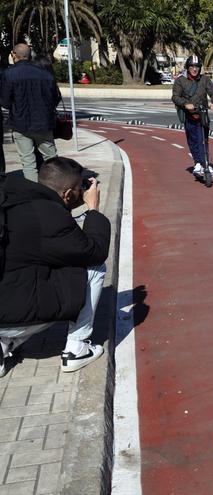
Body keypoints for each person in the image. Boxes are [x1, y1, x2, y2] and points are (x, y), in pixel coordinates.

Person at [0, 157, 110, 377]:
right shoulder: (49, 216)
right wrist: (93, 209)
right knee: (94, 267)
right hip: (13, 315)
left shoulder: (14, 197)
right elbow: (93, 250)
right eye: (81, 189)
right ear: (68, 194)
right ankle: (77, 349)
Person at [0, 44, 62, 182]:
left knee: (28, 162)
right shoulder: (45, 74)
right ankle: (57, 188)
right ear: (30, 55)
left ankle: (35, 192)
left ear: (14, 54)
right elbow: (55, 98)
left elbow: (5, 102)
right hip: (44, 123)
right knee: (51, 158)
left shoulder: (9, 74)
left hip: (20, 123)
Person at [171, 54, 213, 178]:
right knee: (193, 140)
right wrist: (186, 104)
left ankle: (205, 164)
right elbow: (175, 97)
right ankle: (198, 163)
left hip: (203, 114)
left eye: (197, 66)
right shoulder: (180, 80)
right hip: (189, 115)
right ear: (188, 67)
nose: (194, 69)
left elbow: (212, 91)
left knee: (203, 139)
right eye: (192, 66)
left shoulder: (204, 80)